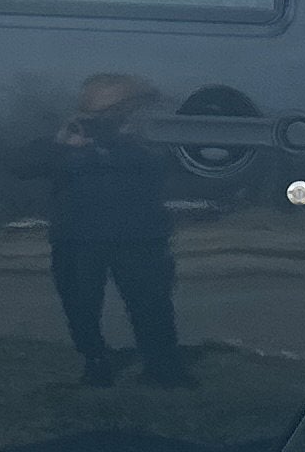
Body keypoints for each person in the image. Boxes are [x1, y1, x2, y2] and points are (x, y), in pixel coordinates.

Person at [16, 73, 190, 387]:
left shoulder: (151, 138)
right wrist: (62, 144)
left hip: (140, 237)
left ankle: (162, 366)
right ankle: (94, 361)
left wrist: (124, 141)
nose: (101, 121)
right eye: (93, 112)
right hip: (77, 238)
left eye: (109, 112)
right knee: (80, 307)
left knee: (151, 306)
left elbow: (168, 166)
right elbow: (19, 164)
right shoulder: (68, 141)